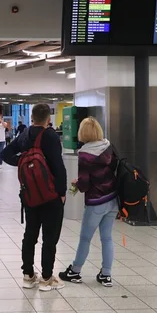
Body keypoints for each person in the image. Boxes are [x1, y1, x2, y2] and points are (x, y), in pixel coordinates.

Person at [1, 104, 67, 292]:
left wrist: (21, 161)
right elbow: (58, 167)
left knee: (30, 235)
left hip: (29, 194)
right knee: (50, 237)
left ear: (32, 118)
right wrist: (61, 193)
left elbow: (6, 154)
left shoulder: (25, 135)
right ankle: (47, 278)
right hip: (50, 195)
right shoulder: (50, 136)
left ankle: (28, 276)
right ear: (48, 119)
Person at [59, 117, 118, 288]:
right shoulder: (109, 146)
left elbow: (84, 185)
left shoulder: (85, 154)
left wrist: (77, 183)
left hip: (96, 202)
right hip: (113, 198)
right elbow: (112, 169)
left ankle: (75, 271)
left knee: (85, 238)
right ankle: (106, 275)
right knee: (107, 238)